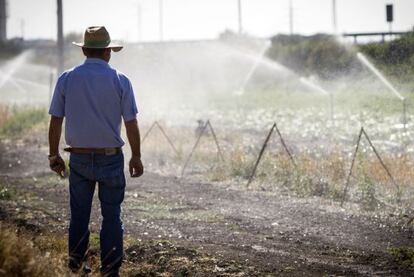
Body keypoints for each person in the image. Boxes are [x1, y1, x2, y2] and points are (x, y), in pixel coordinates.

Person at [48, 26, 144, 276]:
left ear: (85, 51)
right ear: (108, 52)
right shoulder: (121, 80)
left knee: (79, 216)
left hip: (78, 157)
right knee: (112, 216)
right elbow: (131, 122)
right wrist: (136, 155)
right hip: (110, 157)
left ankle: (76, 267)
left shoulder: (67, 78)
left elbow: (56, 119)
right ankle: (110, 270)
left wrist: (53, 154)